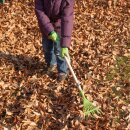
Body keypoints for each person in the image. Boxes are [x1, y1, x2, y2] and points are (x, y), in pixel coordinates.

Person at [35, 0, 74, 81]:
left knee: (60, 51)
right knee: (47, 47)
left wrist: (65, 45)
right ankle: (51, 63)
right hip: (46, 26)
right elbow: (40, 12)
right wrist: (50, 31)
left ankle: (63, 71)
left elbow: (67, 19)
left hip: (60, 26)